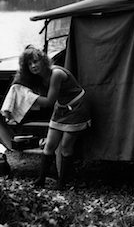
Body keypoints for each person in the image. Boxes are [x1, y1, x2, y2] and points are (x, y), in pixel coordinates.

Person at [14, 46, 91, 189]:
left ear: (43, 61)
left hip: (76, 108)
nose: (33, 66)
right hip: (61, 108)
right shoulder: (38, 77)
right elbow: (19, 86)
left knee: (66, 147)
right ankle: (40, 180)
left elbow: (49, 102)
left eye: (36, 61)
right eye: (29, 64)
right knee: (49, 145)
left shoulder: (56, 74)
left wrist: (29, 97)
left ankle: (62, 183)